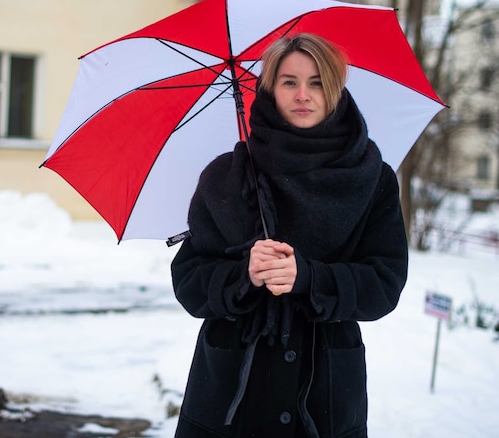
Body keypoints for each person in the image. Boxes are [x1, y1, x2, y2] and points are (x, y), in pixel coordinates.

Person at [171, 33, 409, 438]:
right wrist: (243, 274)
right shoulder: (228, 175)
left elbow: (384, 284)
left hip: (324, 394)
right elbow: (190, 282)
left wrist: (310, 279)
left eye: (316, 82)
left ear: (334, 87)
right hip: (231, 395)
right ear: (270, 89)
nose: (303, 94)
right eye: (289, 81)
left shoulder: (372, 177)